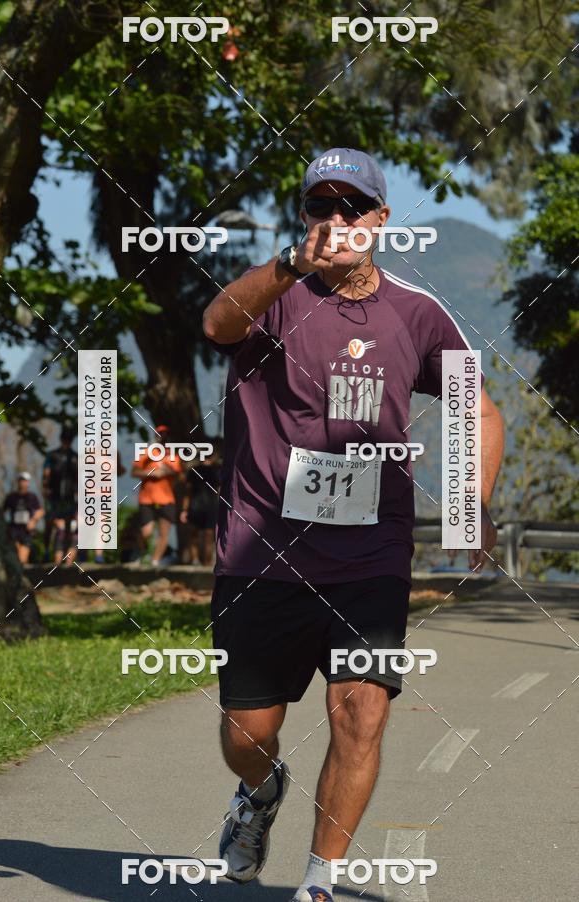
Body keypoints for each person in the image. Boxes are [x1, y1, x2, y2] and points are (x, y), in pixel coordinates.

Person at [202, 148, 504, 902]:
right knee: (248, 731)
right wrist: (286, 264)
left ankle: (320, 881)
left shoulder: (417, 314)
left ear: (380, 219)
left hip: (370, 556)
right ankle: (260, 791)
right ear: (303, 217)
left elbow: (477, 407)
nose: (336, 220)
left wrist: (471, 502)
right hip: (262, 554)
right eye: (321, 207)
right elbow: (216, 323)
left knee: (361, 713)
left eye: (353, 207)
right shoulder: (274, 295)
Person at [132, 425, 181, 567]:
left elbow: (177, 473)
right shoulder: (146, 453)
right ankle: (141, 553)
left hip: (166, 499)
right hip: (146, 498)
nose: (163, 437)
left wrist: (165, 471)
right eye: (160, 434)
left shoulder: (172, 456)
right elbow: (134, 471)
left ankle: (155, 561)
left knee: (164, 533)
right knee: (146, 532)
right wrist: (151, 473)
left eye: (165, 434)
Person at [179, 438, 222, 565]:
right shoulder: (217, 471)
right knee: (208, 537)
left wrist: (184, 510)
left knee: (194, 535)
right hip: (209, 506)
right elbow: (219, 491)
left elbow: (187, 492)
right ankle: (205, 563)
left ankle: (196, 560)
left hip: (196, 506)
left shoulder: (194, 470)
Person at [42, 425, 78, 566]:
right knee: (50, 524)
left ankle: (64, 554)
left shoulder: (75, 457)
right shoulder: (52, 455)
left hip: (68, 496)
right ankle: (47, 550)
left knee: (67, 526)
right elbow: (46, 474)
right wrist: (45, 488)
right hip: (54, 495)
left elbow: (78, 477)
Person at [3, 472, 44, 565]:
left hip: (26, 531)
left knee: (22, 558)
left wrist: (33, 521)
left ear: (28, 482)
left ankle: (23, 570)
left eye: (25, 480)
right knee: (16, 556)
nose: (23, 483)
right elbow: (2, 511)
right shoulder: (11, 497)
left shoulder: (32, 497)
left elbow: (41, 511)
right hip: (14, 530)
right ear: (18, 482)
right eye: (21, 480)